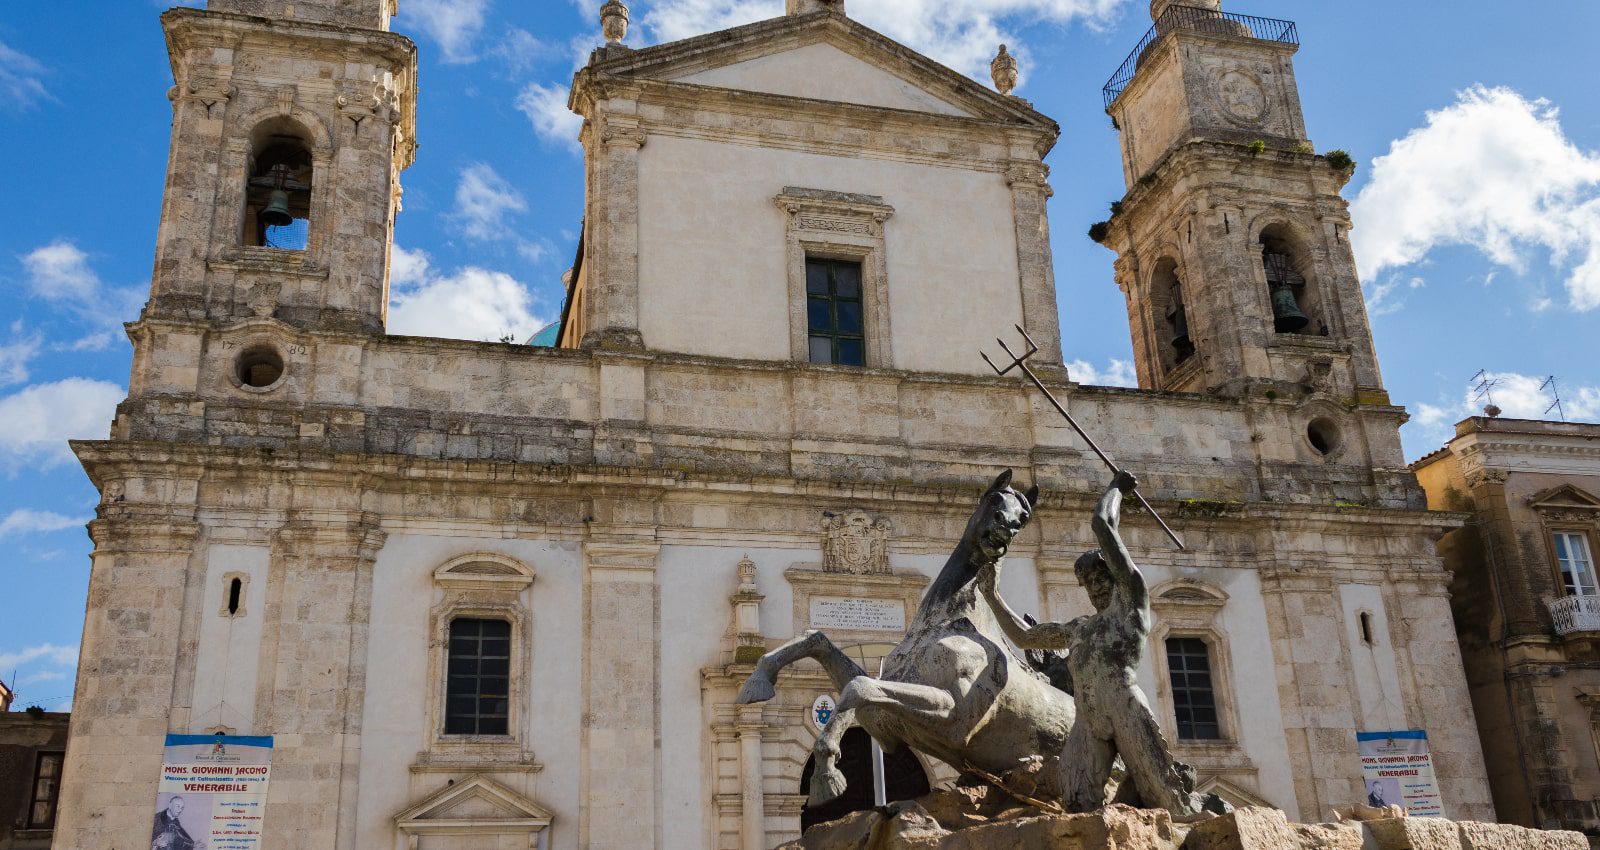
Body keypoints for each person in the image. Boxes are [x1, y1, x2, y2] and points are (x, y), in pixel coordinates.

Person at [980, 470, 1212, 818]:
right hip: (1088, 720)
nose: (1096, 587)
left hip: (1124, 709)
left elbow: (1102, 524)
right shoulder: (1079, 629)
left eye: (1101, 578)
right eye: (1088, 583)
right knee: (1075, 802)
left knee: (1168, 802)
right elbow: (1024, 637)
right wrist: (992, 595)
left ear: (1116, 578)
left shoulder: (1130, 607)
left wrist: (1116, 489)